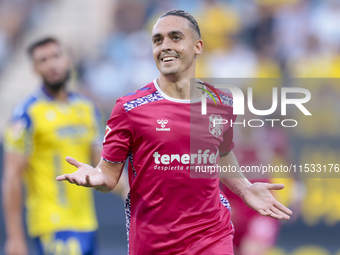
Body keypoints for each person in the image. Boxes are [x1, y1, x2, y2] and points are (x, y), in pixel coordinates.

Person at [56, 10, 293, 255]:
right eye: (158, 40)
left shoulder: (219, 102)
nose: (165, 46)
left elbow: (220, 154)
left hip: (212, 237)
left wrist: (244, 188)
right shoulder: (129, 108)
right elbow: (109, 175)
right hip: (154, 242)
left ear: (197, 46)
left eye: (175, 37)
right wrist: (97, 179)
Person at [2, 37, 102, 255]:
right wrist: (15, 238)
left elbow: (104, 165)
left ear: (67, 60)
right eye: (43, 60)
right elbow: (11, 177)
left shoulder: (87, 109)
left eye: (56, 56)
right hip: (52, 223)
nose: (52, 64)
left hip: (87, 223)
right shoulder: (25, 115)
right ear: (35, 69)